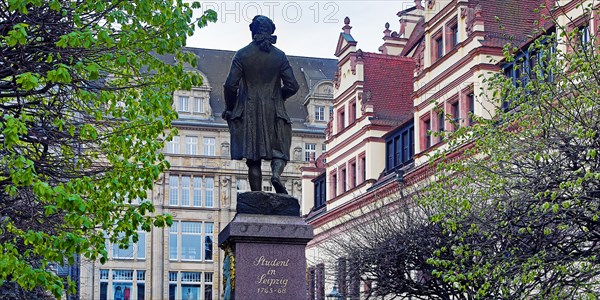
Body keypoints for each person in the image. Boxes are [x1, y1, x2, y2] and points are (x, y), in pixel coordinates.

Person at [223, 15, 299, 194]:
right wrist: (280, 96)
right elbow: (293, 86)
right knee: (280, 149)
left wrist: (230, 108)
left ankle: (256, 195)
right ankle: (276, 176)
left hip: (250, 111)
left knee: (253, 158)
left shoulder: (242, 55)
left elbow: (230, 85)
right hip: (274, 109)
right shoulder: (279, 56)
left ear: (253, 31)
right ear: (270, 32)